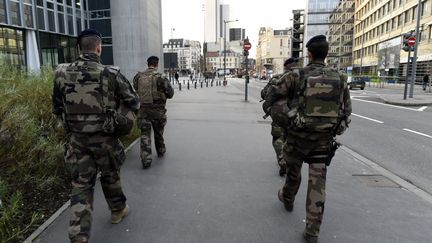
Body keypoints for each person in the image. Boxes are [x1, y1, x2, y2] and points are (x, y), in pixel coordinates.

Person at [52, 29, 140, 243]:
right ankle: (118, 211)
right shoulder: (111, 73)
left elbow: (56, 107)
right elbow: (134, 103)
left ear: (79, 48)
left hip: (77, 141)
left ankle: (79, 237)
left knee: (81, 185)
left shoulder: (61, 73)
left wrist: (68, 125)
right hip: (105, 140)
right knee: (110, 174)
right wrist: (121, 124)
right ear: (99, 48)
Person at [265, 35, 351, 243]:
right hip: (322, 141)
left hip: (296, 138)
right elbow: (346, 111)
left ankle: (287, 197)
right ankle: (312, 233)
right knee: (317, 185)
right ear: (326, 53)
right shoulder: (339, 78)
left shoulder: (297, 75)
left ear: (309, 54)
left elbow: (272, 96)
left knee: (294, 174)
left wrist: (290, 117)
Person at [133, 56, 174, 169]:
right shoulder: (161, 77)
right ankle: (160, 150)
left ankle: (146, 159)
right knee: (158, 132)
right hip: (158, 111)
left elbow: (135, 90)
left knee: (145, 134)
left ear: (147, 64)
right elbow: (170, 94)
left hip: (143, 110)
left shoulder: (138, 77)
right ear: (157, 64)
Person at [261, 57, 298, 177]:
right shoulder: (303, 78)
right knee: (292, 138)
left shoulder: (277, 78)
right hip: (297, 114)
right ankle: (291, 161)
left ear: (285, 66)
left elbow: (265, 94)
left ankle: (282, 159)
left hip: (279, 113)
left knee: (278, 138)